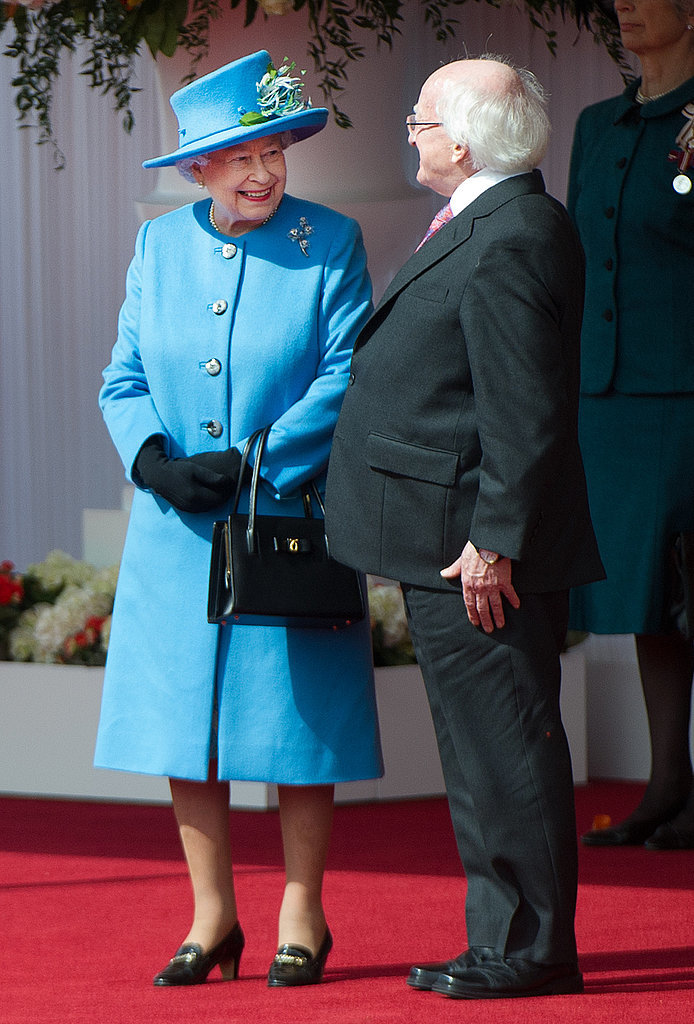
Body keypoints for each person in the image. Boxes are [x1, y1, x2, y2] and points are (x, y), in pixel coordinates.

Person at [94, 50, 383, 988]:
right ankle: (211, 916)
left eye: (275, 152)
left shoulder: (330, 243)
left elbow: (349, 376)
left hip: (285, 522)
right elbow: (122, 378)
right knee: (188, 726)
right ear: (197, 168)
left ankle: (304, 908)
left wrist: (262, 461)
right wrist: (153, 464)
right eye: (241, 156)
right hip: (181, 532)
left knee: (300, 722)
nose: (264, 172)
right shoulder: (158, 248)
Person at [325, 55, 604, 1000]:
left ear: (466, 138)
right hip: (451, 535)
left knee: (506, 744)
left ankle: (530, 950)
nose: (409, 130)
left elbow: (524, 413)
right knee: (480, 749)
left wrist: (496, 540)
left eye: (419, 117)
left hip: (477, 548)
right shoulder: (488, 220)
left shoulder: (515, 230)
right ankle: (504, 940)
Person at [570, 1, 694, 851]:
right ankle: (667, 785)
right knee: (652, 596)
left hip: (688, 393)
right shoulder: (595, 124)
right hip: (608, 397)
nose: (626, 5)